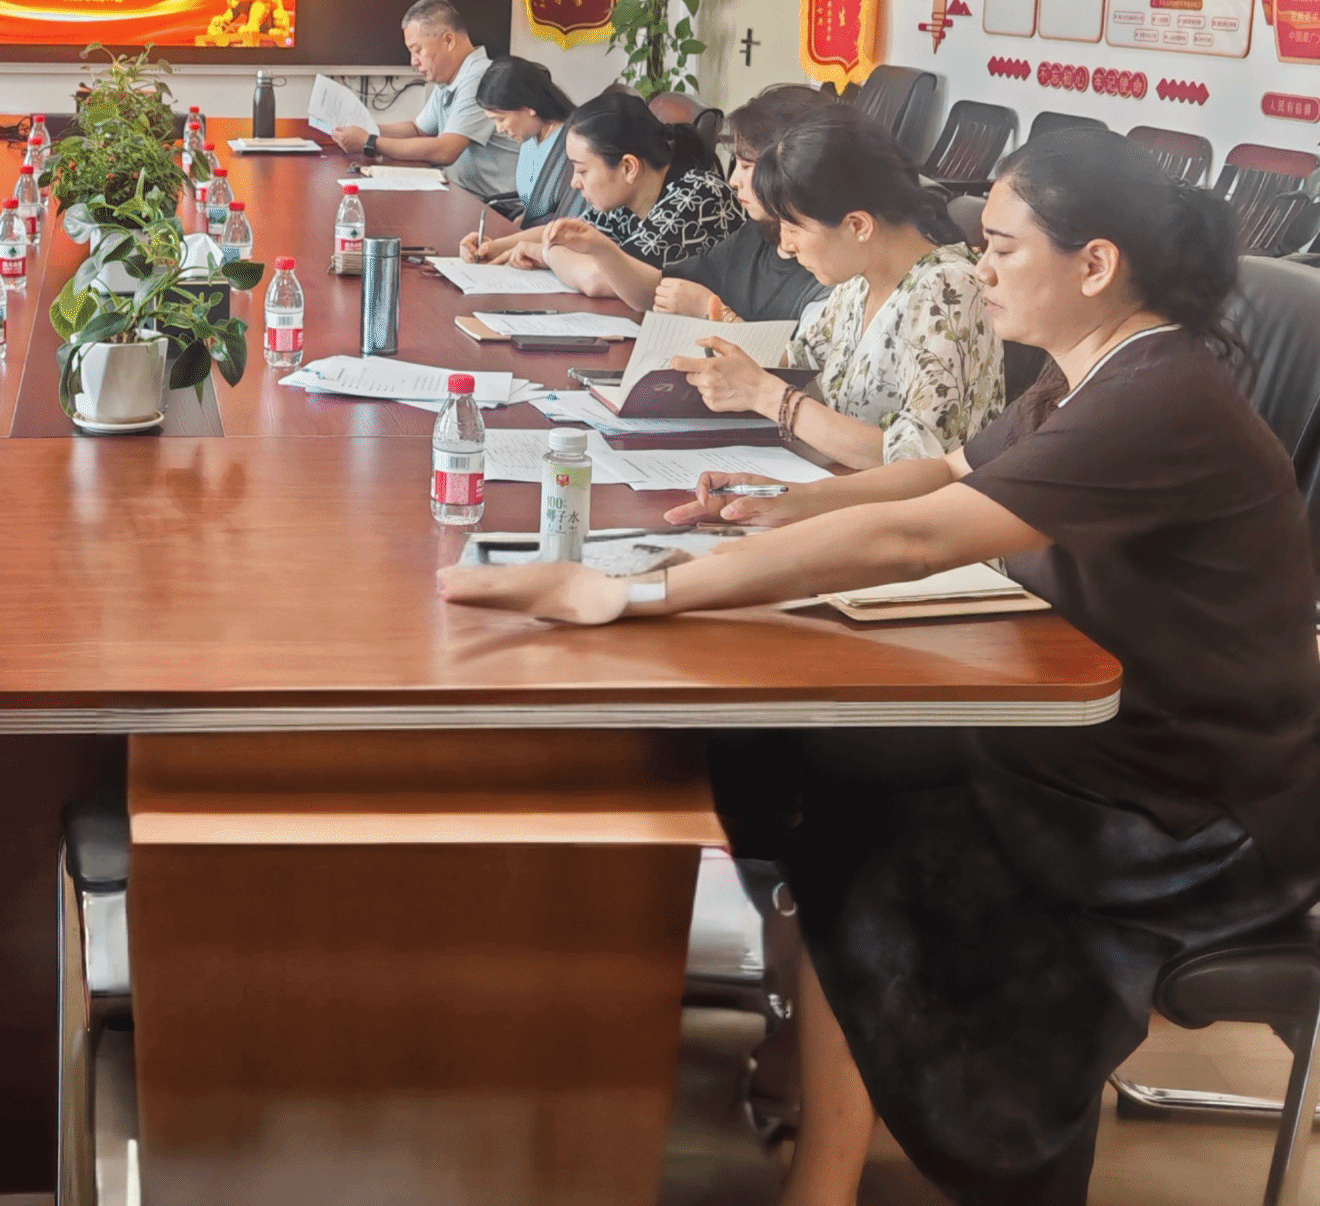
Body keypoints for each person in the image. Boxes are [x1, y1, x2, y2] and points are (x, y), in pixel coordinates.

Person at [437, 126, 1320, 1206]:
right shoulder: (1091, 376)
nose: (979, 265)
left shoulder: (1157, 398)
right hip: (1098, 735)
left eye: (1001, 246)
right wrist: (783, 506)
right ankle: (805, 1082)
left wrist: (640, 591)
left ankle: (857, 1158)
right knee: (807, 755)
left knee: (858, 799)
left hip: (1191, 809)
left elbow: (917, 535)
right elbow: (943, 469)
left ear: (1094, 264)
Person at [672, 103, 1002, 468]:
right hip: (829, 479)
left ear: (858, 226)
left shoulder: (948, 291)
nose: (786, 245)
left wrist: (766, 395)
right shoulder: (858, 283)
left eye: (793, 227)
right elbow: (801, 359)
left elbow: (920, 459)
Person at [474, 87, 742, 302]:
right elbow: (571, 233)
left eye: (582, 170)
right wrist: (495, 247)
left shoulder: (696, 198)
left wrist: (545, 254)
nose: (574, 184)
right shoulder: (631, 194)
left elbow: (598, 279)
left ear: (628, 167)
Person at [650, 83, 832, 325]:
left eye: (746, 166)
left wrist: (712, 309)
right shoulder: (756, 233)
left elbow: (796, 350)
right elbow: (665, 284)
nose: (733, 181)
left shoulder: (827, 269)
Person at [331, 0, 518, 205]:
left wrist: (370, 142)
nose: (414, 62)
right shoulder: (449, 77)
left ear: (448, 41)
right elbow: (417, 128)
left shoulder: (480, 76)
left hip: (490, 205)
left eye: (418, 50)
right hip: (458, 194)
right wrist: (365, 128)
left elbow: (446, 150)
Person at [461, 57, 581, 229]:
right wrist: (521, 221)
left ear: (529, 106)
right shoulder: (530, 137)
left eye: (501, 119)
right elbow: (533, 205)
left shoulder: (571, 146)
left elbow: (565, 224)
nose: (499, 129)